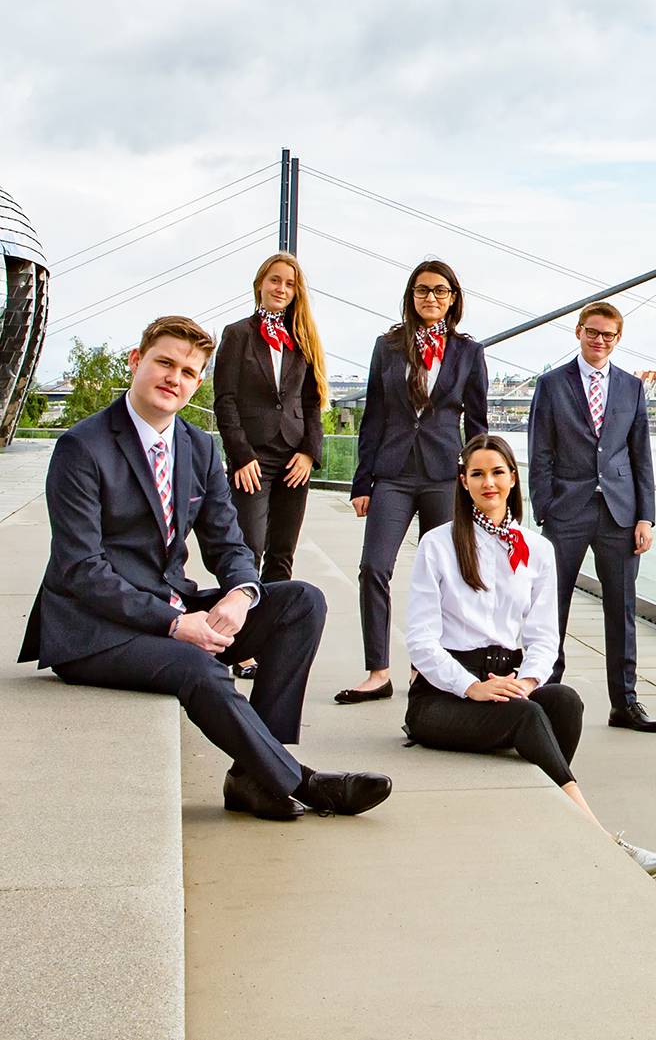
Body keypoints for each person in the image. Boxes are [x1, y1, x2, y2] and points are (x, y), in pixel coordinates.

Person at [17, 315, 391, 821]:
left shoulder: (197, 446)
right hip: (96, 630)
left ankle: (250, 775)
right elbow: (81, 568)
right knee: (198, 667)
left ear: (197, 383)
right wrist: (174, 622)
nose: (175, 378)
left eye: (189, 372)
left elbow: (228, 541)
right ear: (136, 362)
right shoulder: (83, 447)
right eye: (164, 363)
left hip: (171, 604)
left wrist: (241, 593)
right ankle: (300, 782)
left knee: (301, 602)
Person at [405, 434, 656, 878]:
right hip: (443, 697)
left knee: (565, 702)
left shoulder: (537, 549)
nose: (489, 482)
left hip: (509, 686)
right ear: (463, 481)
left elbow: (546, 637)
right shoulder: (437, 544)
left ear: (512, 479)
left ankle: (550, 816)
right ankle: (599, 837)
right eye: (477, 474)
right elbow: (420, 640)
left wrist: (526, 683)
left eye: (498, 472)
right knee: (527, 718)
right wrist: (471, 686)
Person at [340, 260, 488, 703]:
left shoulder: (469, 353)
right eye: (423, 290)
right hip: (394, 474)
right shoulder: (387, 347)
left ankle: (428, 670)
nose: (431, 298)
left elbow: (478, 425)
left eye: (440, 291)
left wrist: (477, 482)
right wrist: (362, 482)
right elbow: (374, 418)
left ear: (453, 298)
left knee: (445, 576)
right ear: (411, 296)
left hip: (445, 474)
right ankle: (378, 671)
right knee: (374, 568)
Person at [528, 301, 656, 732]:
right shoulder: (550, 385)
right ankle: (548, 694)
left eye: (608, 335)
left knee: (621, 611)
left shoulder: (631, 387)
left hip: (619, 514)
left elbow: (641, 456)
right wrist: (544, 507)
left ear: (618, 339)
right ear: (579, 332)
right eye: (592, 332)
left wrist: (646, 517)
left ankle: (625, 703)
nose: (599, 340)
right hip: (565, 511)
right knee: (552, 608)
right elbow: (539, 453)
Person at [214, 252, 327, 679]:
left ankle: (272, 643)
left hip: (295, 458)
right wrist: (240, 456)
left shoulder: (303, 338)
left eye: (290, 283)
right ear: (260, 283)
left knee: (282, 554)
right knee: (248, 550)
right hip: (253, 459)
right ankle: (237, 646)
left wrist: (310, 452)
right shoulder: (237, 334)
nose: (281, 289)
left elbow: (313, 403)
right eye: (275, 280)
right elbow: (224, 401)